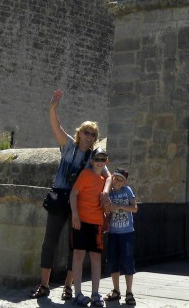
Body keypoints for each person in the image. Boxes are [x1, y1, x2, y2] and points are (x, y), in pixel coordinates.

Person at [30, 89, 110, 300]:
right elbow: (57, 127)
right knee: (50, 242)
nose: (89, 136)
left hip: (80, 202)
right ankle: (44, 285)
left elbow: (109, 176)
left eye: (92, 134)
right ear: (79, 133)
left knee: (74, 246)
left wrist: (106, 192)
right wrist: (52, 108)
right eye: (86, 132)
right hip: (59, 197)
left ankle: (68, 287)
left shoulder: (95, 157)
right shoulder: (68, 146)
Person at [70, 146, 109, 307]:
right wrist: (75, 215)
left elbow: (110, 181)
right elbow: (73, 194)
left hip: (96, 222)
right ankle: (78, 292)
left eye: (103, 160)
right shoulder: (86, 174)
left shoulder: (104, 180)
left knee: (95, 257)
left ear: (106, 162)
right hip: (81, 221)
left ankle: (95, 293)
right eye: (97, 159)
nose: (100, 162)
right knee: (78, 254)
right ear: (92, 161)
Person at [102, 168, 137, 305]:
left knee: (128, 262)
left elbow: (134, 208)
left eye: (121, 179)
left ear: (124, 182)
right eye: (116, 178)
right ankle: (116, 290)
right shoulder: (109, 192)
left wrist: (119, 207)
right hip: (113, 232)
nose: (117, 181)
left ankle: (129, 292)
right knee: (113, 261)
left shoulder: (127, 190)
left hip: (127, 233)